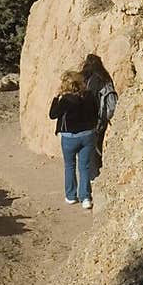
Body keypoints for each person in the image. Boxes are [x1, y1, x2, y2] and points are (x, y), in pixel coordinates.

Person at [49, 69, 98, 210]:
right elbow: (96, 112)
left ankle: (71, 196)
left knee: (70, 166)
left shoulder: (66, 99)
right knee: (85, 167)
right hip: (88, 135)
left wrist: (55, 97)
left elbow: (53, 115)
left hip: (70, 137)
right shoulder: (88, 95)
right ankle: (86, 198)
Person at [80, 54, 117, 177]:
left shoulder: (86, 78)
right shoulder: (105, 78)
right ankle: (97, 171)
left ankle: (93, 175)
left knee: (88, 149)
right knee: (97, 145)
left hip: (88, 119)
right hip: (102, 118)